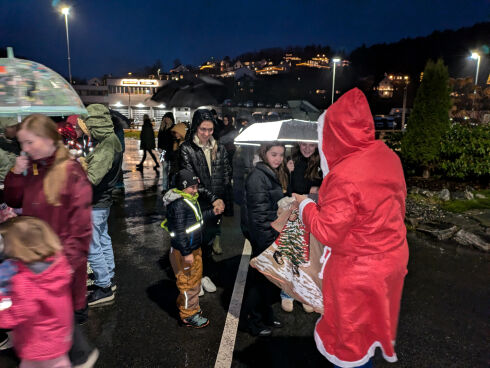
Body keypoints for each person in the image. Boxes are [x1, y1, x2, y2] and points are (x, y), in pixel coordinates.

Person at [294, 88, 409, 368]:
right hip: (391, 261)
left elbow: (328, 230)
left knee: (348, 340)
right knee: (368, 329)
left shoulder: (344, 174)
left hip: (358, 269)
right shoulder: (388, 157)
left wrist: (303, 206)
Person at [4, 114, 98, 367]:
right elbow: (14, 200)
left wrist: (61, 268)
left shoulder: (71, 172)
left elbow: (80, 230)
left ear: (47, 139)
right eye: (22, 142)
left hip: (56, 268)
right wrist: (15, 172)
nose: (24, 148)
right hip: (33, 261)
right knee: (42, 328)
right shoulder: (33, 167)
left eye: (29, 142)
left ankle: (77, 356)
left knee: (55, 328)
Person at [0, 217, 76, 368]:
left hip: (37, 345)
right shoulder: (58, 264)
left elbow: (15, 316)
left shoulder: (24, 281)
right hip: (60, 338)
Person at [162, 169, 220, 328]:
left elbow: (196, 220)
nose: (195, 190)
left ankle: (188, 306)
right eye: (192, 187)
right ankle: (189, 315)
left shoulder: (189, 199)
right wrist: (187, 253)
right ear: (182, 187)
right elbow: (179, 232)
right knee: (190, 283)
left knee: (192, 280)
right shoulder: (179, 204)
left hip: (193, 248)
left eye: (196, 186)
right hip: (185, 251)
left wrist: (211, 213)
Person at [179, 109, 229, 292]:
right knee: (194, 243)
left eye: (210, 129)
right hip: (196, 203)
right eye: (203, 129)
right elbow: (191, 182)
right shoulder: (187, 148)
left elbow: (225, 174)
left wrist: (222, 200)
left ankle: (204, 275)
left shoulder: (220, 147)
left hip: (216, 205)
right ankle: (194, 278)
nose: (207, 134)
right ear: (195, 128)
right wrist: (214, 198)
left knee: (208, 242)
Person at [242, 142, 289, 336]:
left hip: (270, 234)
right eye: (274, 154)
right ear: (264, 153)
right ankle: (253, 320)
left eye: (281, 155)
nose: (278, 158)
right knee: (259, 281)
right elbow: (258, 216)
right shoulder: (258, 177)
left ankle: (266, 314)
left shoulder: (270, 173)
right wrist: (269, 242)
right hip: (263, 237)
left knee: (268, 281)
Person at [82, 105, 123, 307]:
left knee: (92, 246)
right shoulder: (111, 140)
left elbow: (91, 178)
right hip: (102, 202)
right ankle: (109, 278)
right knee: (103, 240)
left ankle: (103, 287)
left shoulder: (107, 145)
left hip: (96, 202)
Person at [281, 142, 323, 313]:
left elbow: (328, 189)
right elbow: (287, 192)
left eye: (311, 145)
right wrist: (288, 173)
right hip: (295, 213)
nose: (307, 148)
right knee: (292, 254)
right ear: (299, 144)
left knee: (310, 257)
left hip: (315, 215)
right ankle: (287, 294)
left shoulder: (322, 163)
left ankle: (304, 294)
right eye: (304, 145)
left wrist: (316, 191)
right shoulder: (291, 160)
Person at [158, 112, 175, 193]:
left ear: (171, 119)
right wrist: (159, 148)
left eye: (168, 118)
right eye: (165, 118)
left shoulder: (173, 128)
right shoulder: (162, 128)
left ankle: (172, 186)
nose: (166, 119)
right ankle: (164, 188)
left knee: (172, 170)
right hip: (163, 152)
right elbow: (159, 139)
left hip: (171, 152)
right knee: (164, 169)